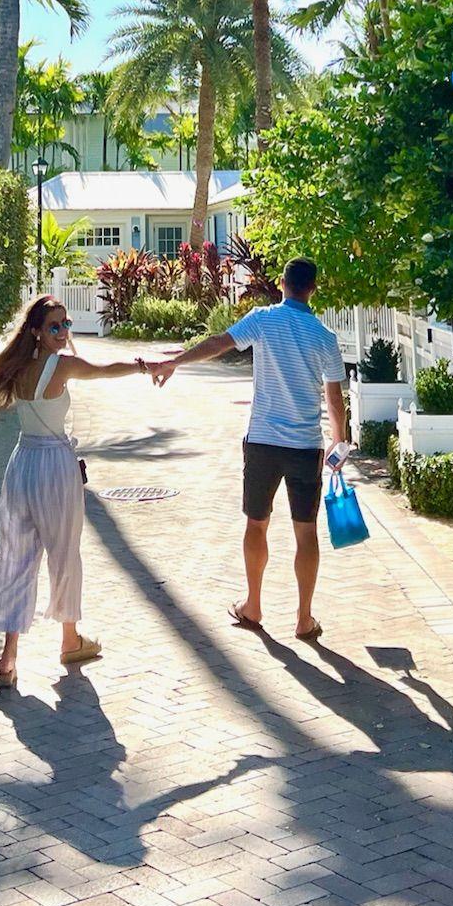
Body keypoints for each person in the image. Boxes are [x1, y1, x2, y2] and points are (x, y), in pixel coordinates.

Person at [150, 257, 350, 641]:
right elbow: (335, 400)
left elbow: (218, 343)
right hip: (306, 445)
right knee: (305, 532)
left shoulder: (263, 319)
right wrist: (338, 445)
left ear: (282, 283)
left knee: (256, 524)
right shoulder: (324, 336)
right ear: (313, 289)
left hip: (262, 442)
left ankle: (253, 605)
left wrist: (174, 361)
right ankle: (304, 618)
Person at [0, 295, 155, 688]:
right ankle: (70, 640)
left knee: (17, 554)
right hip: (55, 465)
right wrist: (143, 366)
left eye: (66, 324)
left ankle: (8, 658)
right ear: (36, 330)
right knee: (64, 552)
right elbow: (106, 370)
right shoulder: (63, 365)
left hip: (23, 463)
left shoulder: (17, 365)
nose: (63, 331)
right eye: (54, 326)